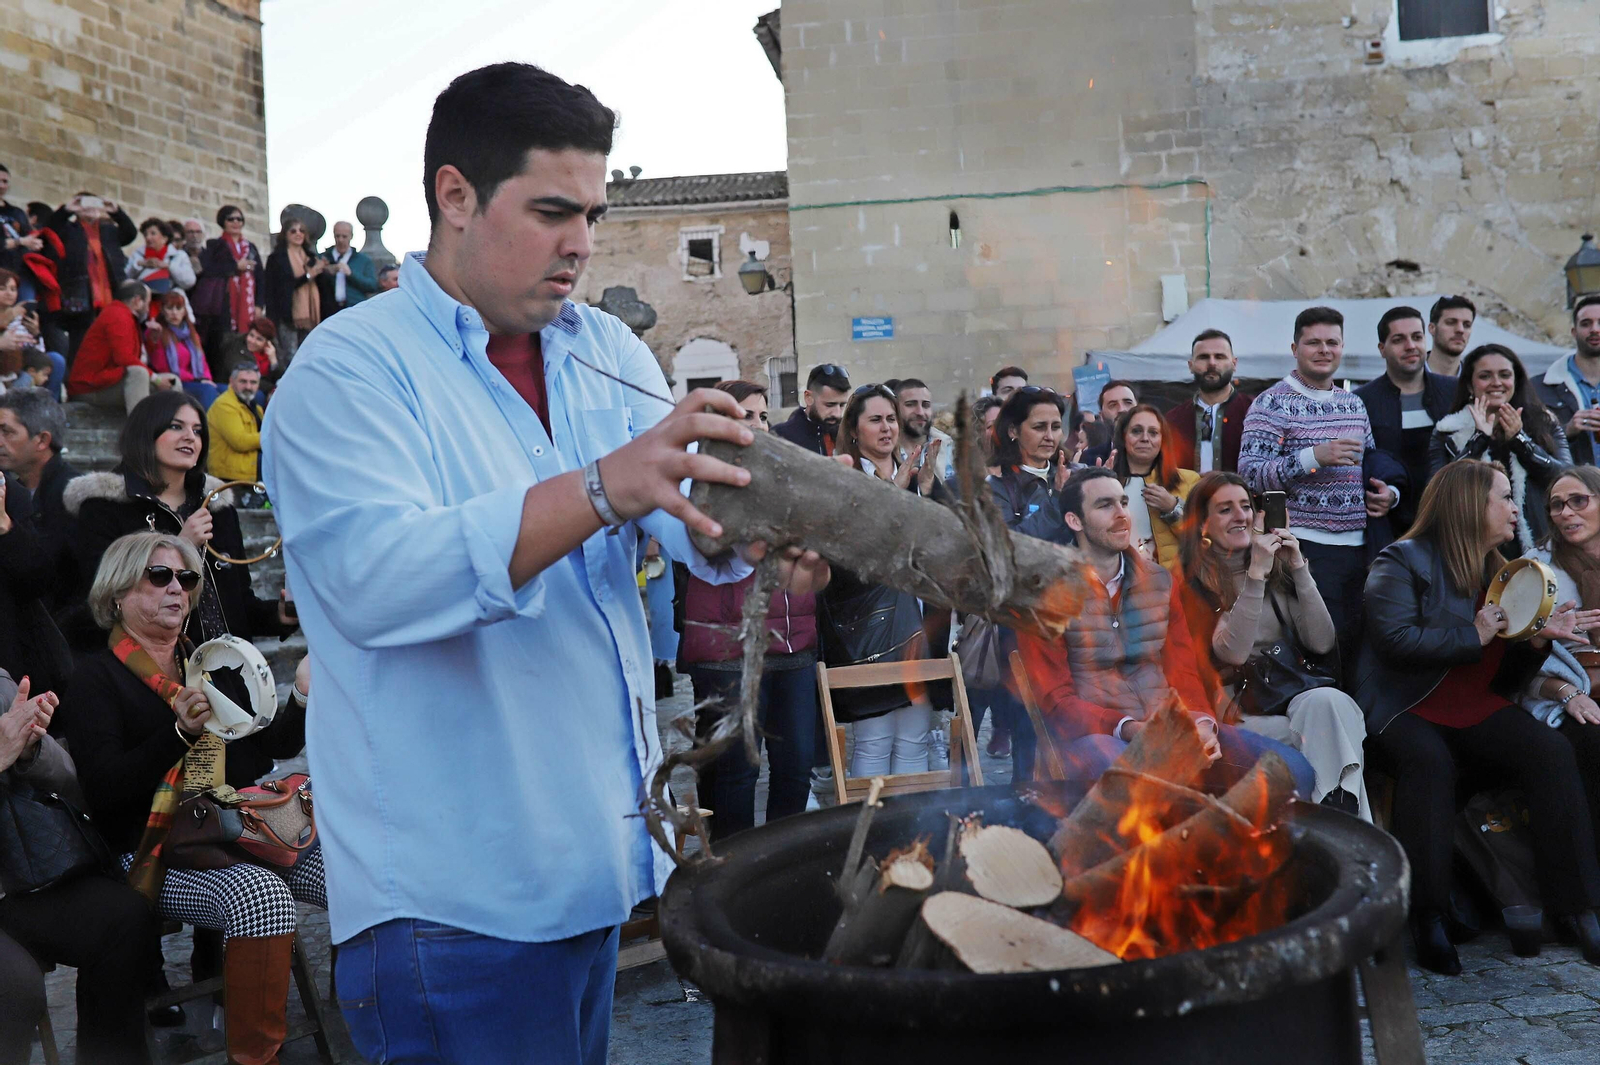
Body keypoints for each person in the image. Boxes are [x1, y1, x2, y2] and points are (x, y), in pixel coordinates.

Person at [259, 61, 827, 1064]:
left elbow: (684, 526)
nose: (582, 245)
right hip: (451, 902)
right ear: (455, 197)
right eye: (554, 211)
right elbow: (378, 582)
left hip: (593, 874)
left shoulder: (604, 346)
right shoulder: (348, 371)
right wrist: (606, 485)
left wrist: (754, 541)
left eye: (594, 215)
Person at [61, 531, 321, 1064]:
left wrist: (299, 694)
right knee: (261, 896)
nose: (176, 588)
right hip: (151, 849)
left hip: (236, 829)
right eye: (158, 576)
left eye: (185, 578)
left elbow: (267, 751)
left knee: (353, 864)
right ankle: (257, 1057)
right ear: (116, 594)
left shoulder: (212, 663)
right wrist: (178, 735)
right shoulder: (94, 678)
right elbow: (107, 793)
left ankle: (388, 1013)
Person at [1355, 461, 1600, 973]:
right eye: (1506, 498)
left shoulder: (1502, 569)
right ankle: (1429, 916)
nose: (1517, 509)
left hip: (1472, 704)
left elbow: (1505, 675)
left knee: (1549, 751)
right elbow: (1394, 643)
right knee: (1430, 764)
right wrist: (1477, 633)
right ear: (1471, 504)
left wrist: (1536, 640)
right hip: (1406, 705)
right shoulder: (1400, 558)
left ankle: (1576, 907)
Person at [1016, 467, 1316, 796]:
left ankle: (1226, 841)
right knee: (1136, 784)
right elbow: (1056, 702)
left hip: (1169, 729)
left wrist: (1201, 723)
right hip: (1096, 738)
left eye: (1123, 502)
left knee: (1294, 772)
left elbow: (1182, 669)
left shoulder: (1158, 581)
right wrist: (1130, 729)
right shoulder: (1044, 593)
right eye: (1105, 506)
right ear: (1075, 521)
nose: (1121, 515)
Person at [1172, 472, 1370, 818]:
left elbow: (1322, 641)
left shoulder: (1277, 567)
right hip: (1238, 709)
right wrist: (1254, 578)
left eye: (1246, 507)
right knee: (1331, 736)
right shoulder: (1191, 584)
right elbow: (1231, 651)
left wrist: (1297, 566)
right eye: (1225, 510)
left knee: (1332, 702)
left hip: (1290, 695)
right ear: (1202, 524)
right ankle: (1347, 827)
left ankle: (1335, 815)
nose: (1241, 517)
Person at [681, 381, 824, 839]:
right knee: (737, 771)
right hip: (730, 649)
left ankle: (783, 865)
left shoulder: (787, 476)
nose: (757, 424)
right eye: (744, 415)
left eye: (762, 415)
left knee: (797, 765)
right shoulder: (698, 479)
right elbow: (708, 549)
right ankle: (734, 869)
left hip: (793, 642)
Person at [0, 671, 156, 1065]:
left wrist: (31, 752)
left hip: (18, 880)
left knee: (124, 916)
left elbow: (69, 780)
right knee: (15, 984)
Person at [64, 391, 295, 651]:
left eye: (197, 431)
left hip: (229, 672)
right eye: (176, 426)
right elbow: (102, 603)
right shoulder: (104, 506)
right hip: (152, 670)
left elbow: (239, 605)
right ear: (146, 432)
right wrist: (180, 546)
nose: (190, 437)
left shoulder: (218, 506)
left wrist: (279, 616)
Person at [1239, 306, 1397, 649]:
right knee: (1319, 648)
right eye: (1314, 342)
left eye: (1333, 342)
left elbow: (1371, 462)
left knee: (1357, 646)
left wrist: (1389, 493)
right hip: (1303, 548)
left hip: (1359, 549)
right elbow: (1250, 474)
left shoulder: (1353, 404)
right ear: (1295, 349)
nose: (1324, 350)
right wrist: (1313, 457)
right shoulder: (1270, 403)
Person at [823, 383, 937, 778]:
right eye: (876, 420)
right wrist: (892, 493)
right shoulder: (843, 477)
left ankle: (911, 835)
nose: (887, 427)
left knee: (915, 741)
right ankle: (869, 834)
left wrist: (933, 491)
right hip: (868, 629)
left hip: (922, 625)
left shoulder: (922, 473)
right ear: (854, 430)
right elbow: (844, 559)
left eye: (891, 418)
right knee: (873, 742)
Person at [976, 385, 1072, 773]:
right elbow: (1009, 548)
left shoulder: (1072, 476)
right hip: (1025, 630)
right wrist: (1059, 503)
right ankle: (1026, 818)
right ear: (1014, 431)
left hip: (1080, 624)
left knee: (1076, 736)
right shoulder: (996, 485)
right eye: (1039, 427)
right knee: (1031, 740)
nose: (1050, 436)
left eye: (1055, 426)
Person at [1522, 466, 1600, 864]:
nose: (1567, 513)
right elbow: (1520, 665)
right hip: (1565, 694)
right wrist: (1567, 693)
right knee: (1591, 737)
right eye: (1556, 505)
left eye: (1579, 501)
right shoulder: (1536, 570)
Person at [1429, 343, 1569, 559]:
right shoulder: (1447, 430)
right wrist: (1478, 440)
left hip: (1540, 551)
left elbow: (1566, 478)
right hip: (1473, 552)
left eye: (1504, 375)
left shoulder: (1544, 421)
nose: (1496, 383)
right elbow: (1439, 493)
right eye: (1485, 376)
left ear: (1516, 380)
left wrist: (1520, 441)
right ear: (1469, 384)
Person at [0, 389, 86, 665]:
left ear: (42, 440)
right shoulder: (14, 491)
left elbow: (68, 581)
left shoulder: (75, 494)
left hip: (64, 649)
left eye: (7, 431)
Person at [1356, 306, 1455, 535]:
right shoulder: (1362, 402)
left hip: (1451, 521)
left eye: (1417, 337)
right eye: (1399, 339)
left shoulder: (1454, 392)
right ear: (1382, 349)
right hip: (1391, 527)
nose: (1410, 346)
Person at [1107, 404, 1198, 569]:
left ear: (1162, 439)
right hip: (1119, 582)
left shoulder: (1189, 480)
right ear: (1123, 437)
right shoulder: (1106, 481)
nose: (1145, 438)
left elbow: (1204, 540)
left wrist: (1173, 509)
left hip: (1173, 585)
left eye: (1153, 433)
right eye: (1136, 431)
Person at [47, 193, 137, 356]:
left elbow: (130, 233)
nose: (90, 208)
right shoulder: (69, 229)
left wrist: (116, 212)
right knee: (81, 344)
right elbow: (51, 229)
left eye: (93, 204)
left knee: (110, 343)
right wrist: (67, 210)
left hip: (110, 293)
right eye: (84, 204)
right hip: (80, 295)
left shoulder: (108, 231)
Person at [66, 280, 172, 414]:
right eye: (148, 303)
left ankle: (166, 432)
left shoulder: (126, 316)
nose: (148, 308)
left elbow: (134, 358)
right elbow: (124, 358)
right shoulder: (117, 315)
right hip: (89, 389)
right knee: (138, 374)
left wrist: (152, 341)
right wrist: (156, 379)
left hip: (107, 382)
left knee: (173, 382)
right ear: (137, 301)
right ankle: (140, 432)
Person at [1164, 329, 1253, 475]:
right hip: (1186, 497)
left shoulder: (1256, 412)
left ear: (1234, 363)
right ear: (1191, 365)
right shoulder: (1173, 420)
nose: (1212, 363)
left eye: (1219, 357)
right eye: (1204, 357)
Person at [1536, 293, 1600, 468]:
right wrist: (1566, 431)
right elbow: (1530, 447)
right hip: (1575, 488)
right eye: (1586, 323)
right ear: (1574, 331)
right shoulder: (1540, 387)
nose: (1595, 329)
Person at [193, 206, 265, 359]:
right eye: (231, 219)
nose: (236, 222)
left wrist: (259, 304)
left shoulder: (250, 248)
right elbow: (208, 270)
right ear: (223, 222)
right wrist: (235, 267)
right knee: (223, 346)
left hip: (247, 305)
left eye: (239, 219)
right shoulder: (215, 245)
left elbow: (260, 277)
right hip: (223, 305)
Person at [263, 218, 325, 366]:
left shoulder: (311, 258)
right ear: (285, 234)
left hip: (310, 314)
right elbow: (284, 285)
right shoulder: (277, 258)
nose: (298, 234)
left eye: (301, 231)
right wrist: (309, 275)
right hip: (287, 314)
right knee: (289, 355)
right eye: (293, 231)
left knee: (308, 354)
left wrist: (324, 270)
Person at [143, 291, 220, 408]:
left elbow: (203, 362)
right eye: (170, 308)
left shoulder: (191, 333)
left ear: (184, 311)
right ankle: (207, 425)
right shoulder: (157, 331)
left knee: (229, 390)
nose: (174, 313)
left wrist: (206, 378)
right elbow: (160, 365)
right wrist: (197, 380)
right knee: (208, 391)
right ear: (163, 311)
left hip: (197, 380)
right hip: (175, 382)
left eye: (178, 308)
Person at [0, 268, 65, 400]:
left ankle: (51, 407)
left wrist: (36, 335)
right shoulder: (12, 315)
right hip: (7, 372)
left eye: (13, 289)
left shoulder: (20, 316)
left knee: (56, 360)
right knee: (26, 377)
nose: (9, 293)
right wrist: (5, 321)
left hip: (23, 363)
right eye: (2, 289)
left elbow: (38, 353)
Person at [208, 364, 266, 486]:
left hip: (251, 470)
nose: (248, 387)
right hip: (229, 477)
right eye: (243, 381)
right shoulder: (224, 405)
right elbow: (240, 442)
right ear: (231, 381)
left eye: (253, 382)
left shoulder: (257, 408)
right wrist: (271, 437)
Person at [774, 362, 850, 455]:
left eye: (842, 405)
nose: (837, 413)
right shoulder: (780, 436)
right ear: (808, 397)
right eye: (829, 405)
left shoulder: (846, 436)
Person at [894, 376, 954, 484]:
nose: (920, 412)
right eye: (910, 404)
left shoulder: (948, 447)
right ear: (895, 408)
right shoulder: (885, 449)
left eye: (926, 405)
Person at [319, 221, 377, 316]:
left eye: (344, 236)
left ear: (351, 236)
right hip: (328, 311)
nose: (340, 240)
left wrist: (351, 274)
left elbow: (372, 286)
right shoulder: (323, 258)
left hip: (354, 310)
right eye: (337, 236)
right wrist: (325, 270)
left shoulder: (363, 260)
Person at [125, 218, 195, 295]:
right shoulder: (138, 254)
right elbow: (125, 278)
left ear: (164, 239)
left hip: (168, 301)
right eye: (145, 234)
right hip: (142, 299)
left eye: (153, 233)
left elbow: (189, 281)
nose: (148, 238)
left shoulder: (178, 256)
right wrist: (141, 264)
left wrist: (169, 266)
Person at [1078, 379, 1138, 466]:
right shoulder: (1089, 459)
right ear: (1101, 416)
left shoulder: (1160, 452)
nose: (1121, 409)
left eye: (1128, 403)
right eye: (1113, 405)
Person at [1425, 294, 1476, 376]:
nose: (1460, 330)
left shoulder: (1474, 384)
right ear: (1432, 328)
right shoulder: (1406, 376)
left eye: (1467, 325)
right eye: (1451, 322)